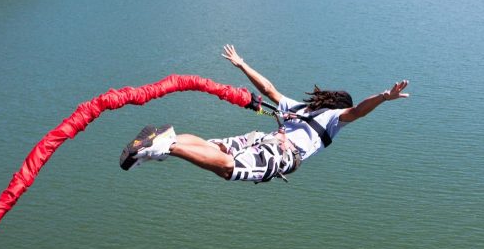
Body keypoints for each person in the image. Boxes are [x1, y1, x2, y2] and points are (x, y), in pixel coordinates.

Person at [120, 44, 409, 182]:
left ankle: (167, 140)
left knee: (213, 147)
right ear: (339, 105)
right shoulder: (332, 118)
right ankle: (166, 145)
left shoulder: (300, 108)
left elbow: (269, 89)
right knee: (227, 168)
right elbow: (358, 111)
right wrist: (384, 97)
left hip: (261, 139)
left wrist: (242, 64)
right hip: (279, 153)